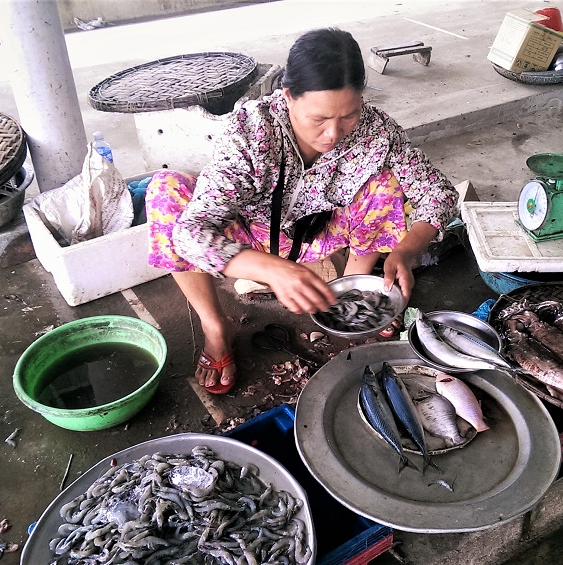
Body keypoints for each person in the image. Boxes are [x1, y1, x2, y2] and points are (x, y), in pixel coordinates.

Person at [145, 28, 459, 394]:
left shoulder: (376, 131)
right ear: (289, 95)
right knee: (166, 193)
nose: (333, 134)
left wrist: (406, 252)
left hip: (320, 235)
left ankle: (357, 293)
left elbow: (439, 193)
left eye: (349, 116)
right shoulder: (251, 131)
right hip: (250, 235)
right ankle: (216, 327)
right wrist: (273, 270)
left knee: (383, 183)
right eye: (319, 119)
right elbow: (191, 233)